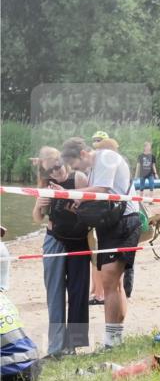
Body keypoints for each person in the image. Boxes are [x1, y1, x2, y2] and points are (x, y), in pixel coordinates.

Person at [61, 136, 141, 348]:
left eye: (76, 165)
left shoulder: (105, 158)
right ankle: (115, 339)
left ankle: (110, 341)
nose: (78, 170)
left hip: (124, 221)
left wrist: (68, 193)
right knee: (114, 283)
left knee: (109, 281)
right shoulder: (94, 167)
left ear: (83, 154)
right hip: (110, 223)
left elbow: (102, 191)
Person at [31, 146, 90, 356]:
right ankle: (55, 347)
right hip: (54, 239)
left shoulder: (79, 178)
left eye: (57, 167)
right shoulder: (46, 184)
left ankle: (72, 346)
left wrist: (69, 198)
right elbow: (38, 218)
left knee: (78, 292)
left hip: (79, 240)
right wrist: (39, 204)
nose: (55, 173)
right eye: (49, 171)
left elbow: (91, 209)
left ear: (63, 160)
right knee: (54, 293)